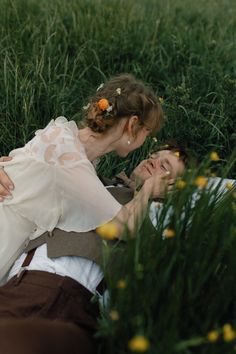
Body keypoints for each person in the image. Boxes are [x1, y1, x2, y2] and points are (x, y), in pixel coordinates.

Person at [0, 147, 186, 354]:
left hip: (60, 290)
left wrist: (147, 192)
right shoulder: (93, 178)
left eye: (165, 165)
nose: (154, 160)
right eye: (155, 155)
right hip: (17, 281)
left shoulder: (161, 215)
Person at [0, 73, 166, 282]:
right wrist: (148, 189)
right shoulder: (74, 166)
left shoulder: (61, 132)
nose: (146, 140)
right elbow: (127, 227)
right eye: (147, 132)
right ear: (132, 125)